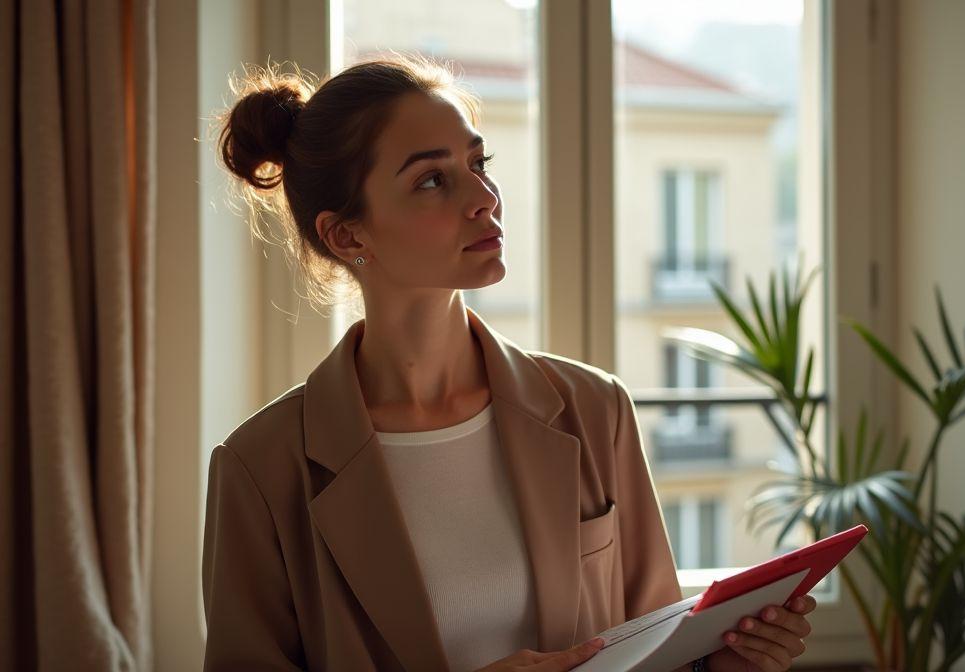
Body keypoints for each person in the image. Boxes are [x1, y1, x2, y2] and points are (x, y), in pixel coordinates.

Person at [203, 52, 817, 672]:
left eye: (478, 163)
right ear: (347, 235)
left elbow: (657, 651)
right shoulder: (261, 468)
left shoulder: (594, 409)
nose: (485, 197)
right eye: (431, 180)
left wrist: (722, 665)